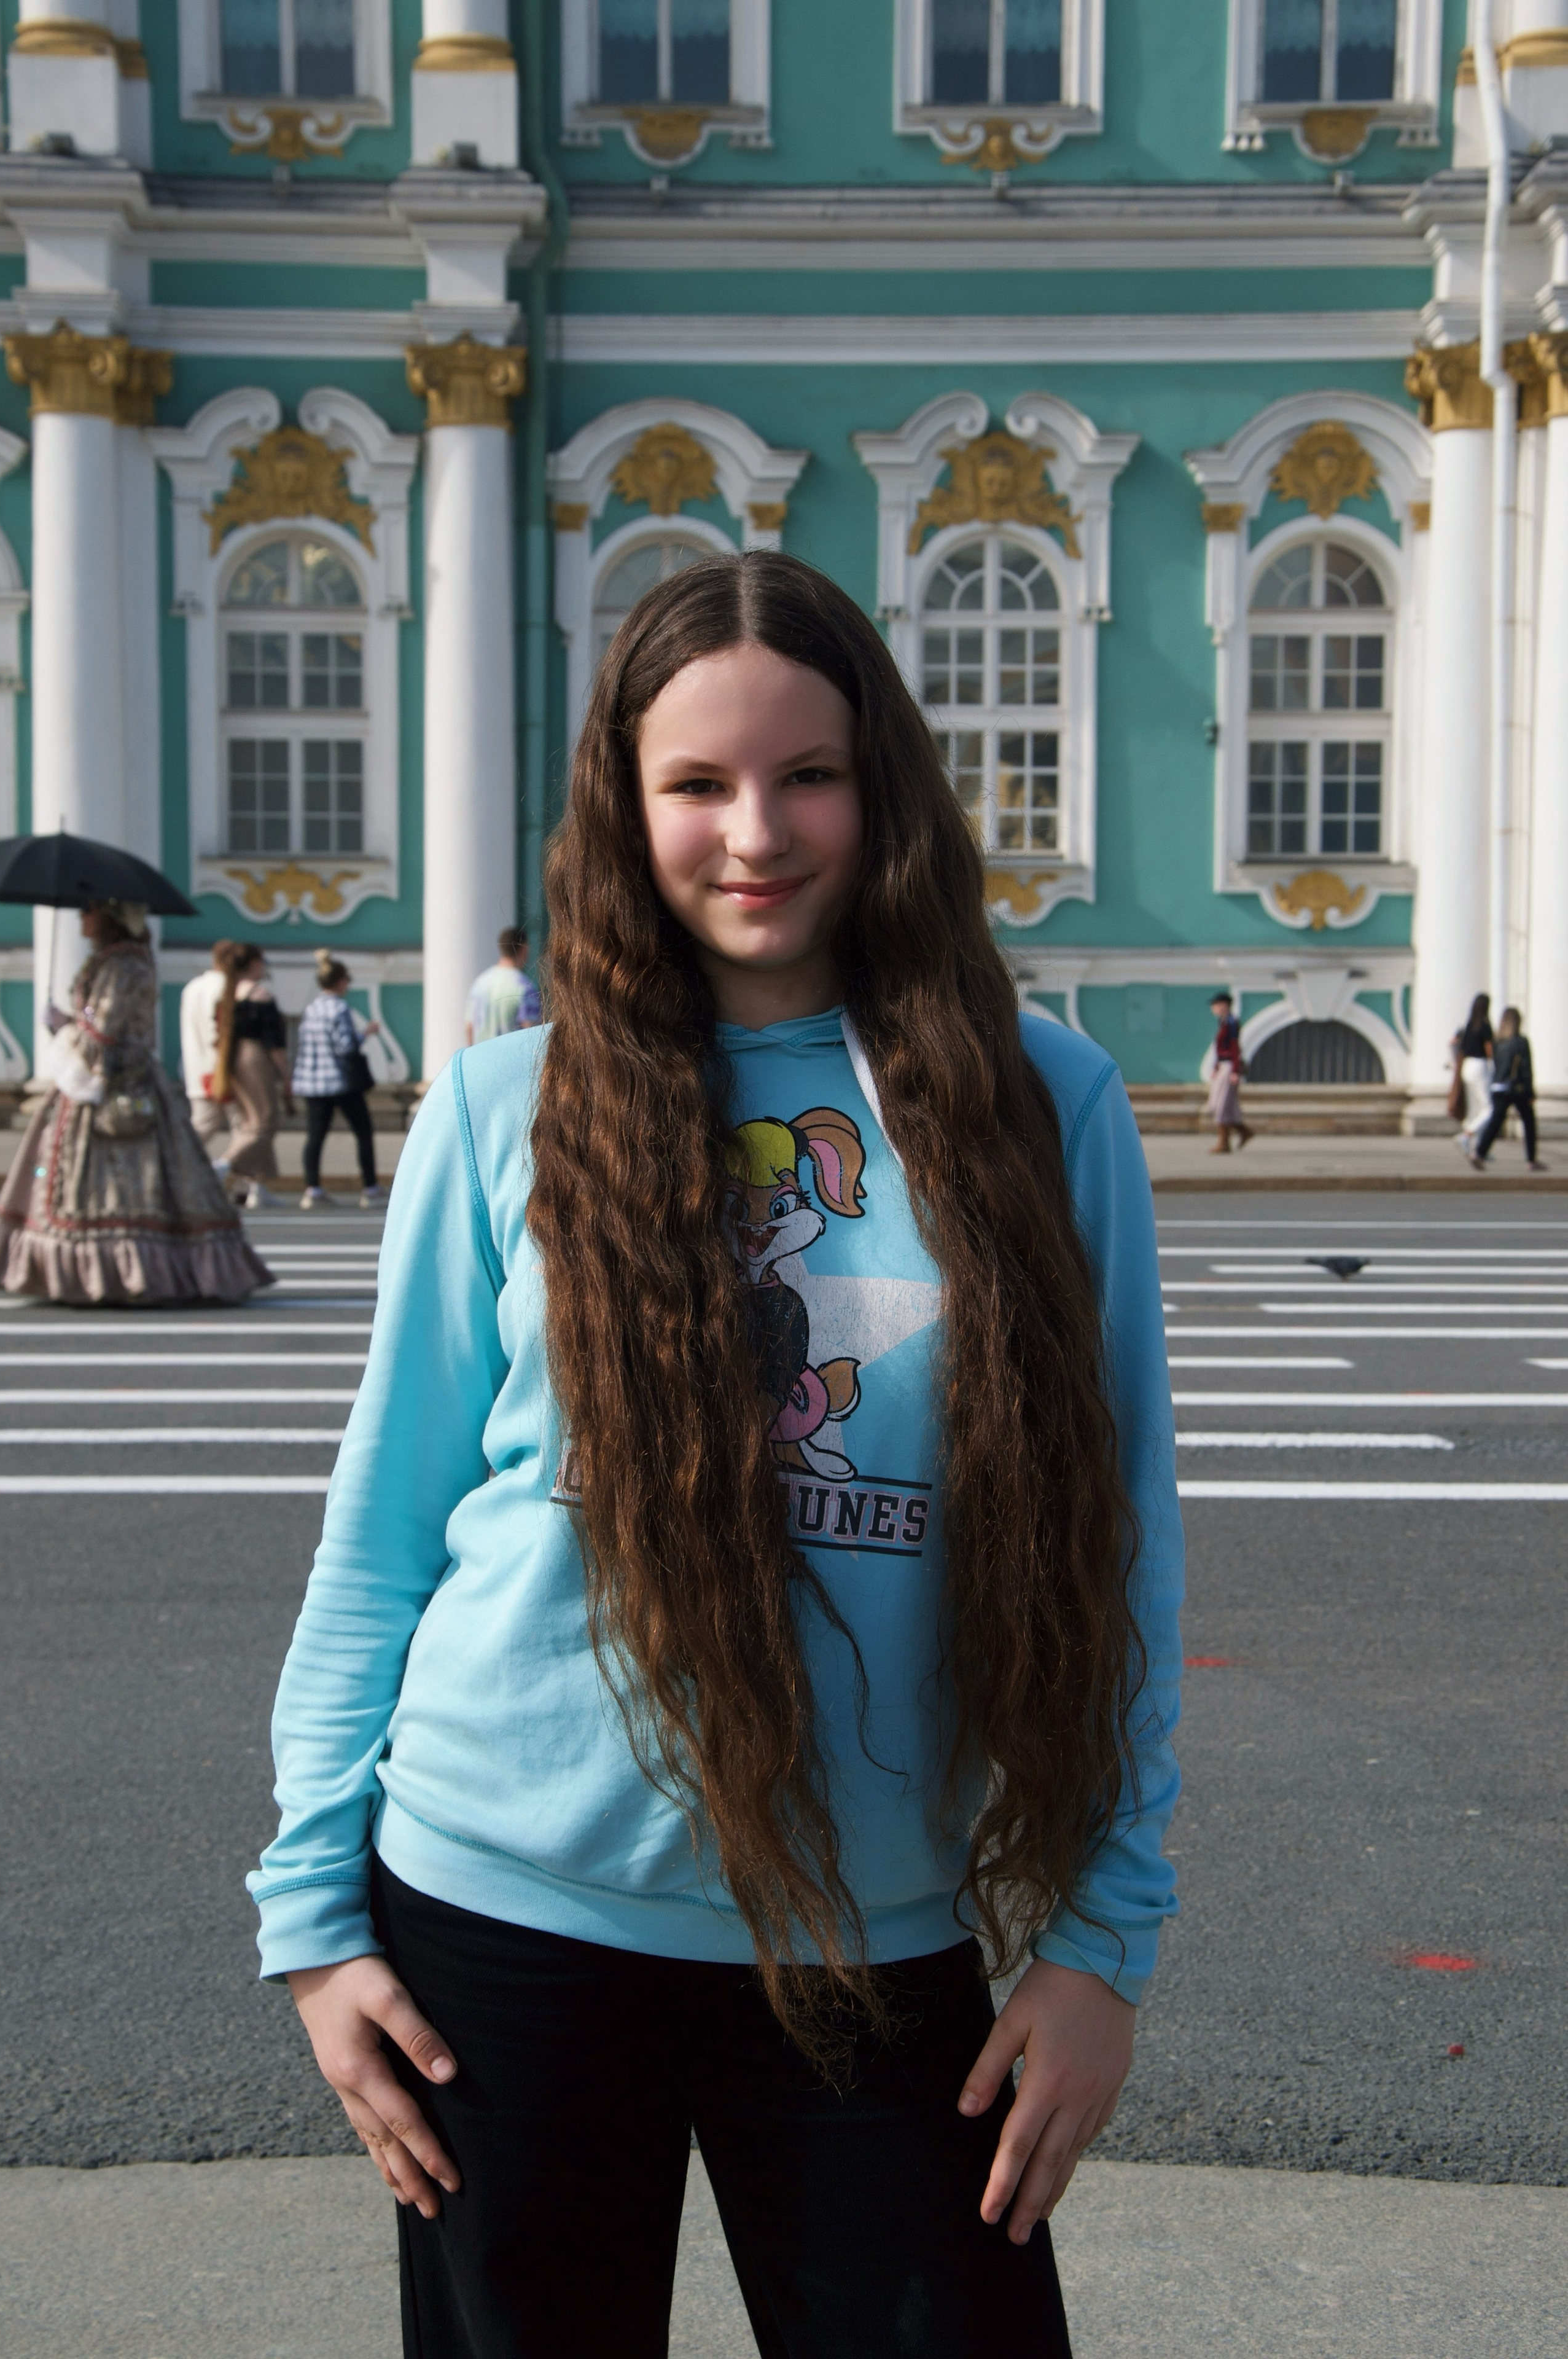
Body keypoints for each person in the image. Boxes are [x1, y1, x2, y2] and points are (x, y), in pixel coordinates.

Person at [248, 552, 1182, 2359]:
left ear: (883, 783)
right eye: (695, 782)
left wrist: (1096, 1938)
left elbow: (1120, 1535)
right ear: (627, 799)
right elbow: (385, 1530)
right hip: (497, 1931)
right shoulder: (503, 1105)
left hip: (874, 1941)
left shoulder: (1039, 1099)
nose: (753, 831)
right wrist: (310, 1911)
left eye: (805, 773)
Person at [0, 900, 272, 1304]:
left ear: (109, 917)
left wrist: (65, 1028)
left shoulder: (125, 965)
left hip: (116, 1087)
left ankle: (118, 1273)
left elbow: (105, 1036)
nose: (82, 918)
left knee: (126, 1179)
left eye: (88, 912)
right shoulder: (117, 961)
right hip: (114, 1085)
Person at [292, 952, 384, 1211]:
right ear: (340, 981)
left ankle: (312, 1188)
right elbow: (345, 1047)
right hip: (340, 1082)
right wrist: (365, 1034)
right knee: (363, 1132)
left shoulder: (311, 1009)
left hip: (313, 1083)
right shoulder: (340, 1008)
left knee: (315, 1137)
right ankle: (370, 1187)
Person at [216, 944, 290, 1211]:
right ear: (253, 965)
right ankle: (225, 1164)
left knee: (251, 1120)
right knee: (265, 1122)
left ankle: (258, 1186)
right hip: (255, 1057)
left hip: (232, 1058)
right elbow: (274, 1041)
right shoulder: (261, 995)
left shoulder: (230, 995)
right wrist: (284, 1071)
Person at [1470, 1006, 1547, 1172]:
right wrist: (1530, 1091)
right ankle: (1531, 1160)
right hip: (1517, 1088)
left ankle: (1479, 1154)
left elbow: (1496, 1065)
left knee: (1495, 1122)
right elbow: (1526, 1067)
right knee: (1529, 1123)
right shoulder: (1521, 1041)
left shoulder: (1498, 1042)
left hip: (1498, 1087)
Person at [179, 939, 236, 1156]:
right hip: (223, 1069)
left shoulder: (192, 987)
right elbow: (219, 1032)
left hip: (196, 1068)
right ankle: (245, 1181)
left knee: (203, 1125)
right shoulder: (227, 987)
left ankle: (180, 1166)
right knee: (244, 1125)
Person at [464, 925, 542, 1044]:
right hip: (511, 1061)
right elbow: (533, 1034)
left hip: (481, 1060)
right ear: (524, 949)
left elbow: (470, 1029)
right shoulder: (525, 987)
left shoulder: (480, 984)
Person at [1205, 988, 1252, 1154]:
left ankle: (1224, 1142)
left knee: (1222, 1105)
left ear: (1224, 1005)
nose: (1214, 1008)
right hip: (1223, 1066)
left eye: (1216, 1004)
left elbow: (1234, 1048)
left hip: (1230, 1067)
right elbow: (1221, 1048)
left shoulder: (1232, 1022)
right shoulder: (1224, 1022)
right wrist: (1216, 1065)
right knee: (1222, 1105)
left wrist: (1235, 1070)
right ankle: (1243, 1132)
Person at [1451, 992, 1494, 1152]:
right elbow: (1489, 1049)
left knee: (1474, 1108)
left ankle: (1476, 1148)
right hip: (1480, 1065)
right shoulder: (1485, 1025)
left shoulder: (1469, 1025)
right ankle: (1467, 1135)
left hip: (1466, 1066)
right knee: (1489, 1108)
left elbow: (1454, 1042)